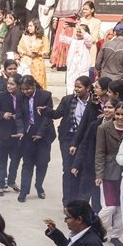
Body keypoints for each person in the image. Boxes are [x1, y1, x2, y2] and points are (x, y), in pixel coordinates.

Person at [96, 101, 123, 246]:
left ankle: (116, 235)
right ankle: (97, 229)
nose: (120, 117)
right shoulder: (103, 128)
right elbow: (99, 152)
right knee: (109, 206)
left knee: (121, 207)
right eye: (117, 114)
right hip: (108, 171)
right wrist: (99, 174)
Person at [73, 98, 119, 211]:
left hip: (109, 169)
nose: (107, 110)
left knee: (99, 201)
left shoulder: (120, 128)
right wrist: (76, 164)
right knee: (84, 196)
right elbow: (84, 144)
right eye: (105, 107)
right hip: (90, 166)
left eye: (110, 107)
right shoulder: (95, 124)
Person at [52, 76, 92, 205]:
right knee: (68, 169)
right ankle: (67, 202)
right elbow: (57, 114)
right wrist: (46, 111)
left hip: (85, 139)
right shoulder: (68, 100)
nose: (76, 89)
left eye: (80, 87)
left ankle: (80, 201)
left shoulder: (93, 103)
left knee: (82, 169)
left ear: (88, 88)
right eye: (75, 87)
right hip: (68, 138)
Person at [17, 75, 55, 202]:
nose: (25, 92)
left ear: (34, 85)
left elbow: (47, 117)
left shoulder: (45, 96)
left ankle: (39, 186)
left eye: (27, 89)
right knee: (27, 163)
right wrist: (20, 130)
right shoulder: (20, 96)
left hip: (44, 133)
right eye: (23, 89)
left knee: (42, 163)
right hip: (28, 133)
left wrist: (40, 133)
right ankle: (24, 191)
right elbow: (19, 116)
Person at [0, 74, 23, 196]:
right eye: (8, 83)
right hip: (2, 132)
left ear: (19, 86)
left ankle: (11, 181)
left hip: (16, 133)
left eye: (12, 84)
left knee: (15, 159)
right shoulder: (2, 96)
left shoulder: (22, 97)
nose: (9, 86)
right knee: (1, 160)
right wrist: (2, 115)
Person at [51, 0, 86, 69]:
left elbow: (83, 8)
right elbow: (59, 6)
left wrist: (79, 19)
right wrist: (55, 19)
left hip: (73, 21)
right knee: (60, 41)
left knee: (69, 41)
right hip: (62, 20)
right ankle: (57, 62)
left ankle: (67, 63)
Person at [18, 19, 50, 88]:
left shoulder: (42, 37)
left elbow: (46, 51)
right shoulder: (25, 36)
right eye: (28, 26)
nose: (29, 28)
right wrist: (26, 53)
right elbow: (19, 48)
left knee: (37, 83)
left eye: (31, 26)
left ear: (36, 26)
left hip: (37, 63)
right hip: (25, 62)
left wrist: (38, 53)